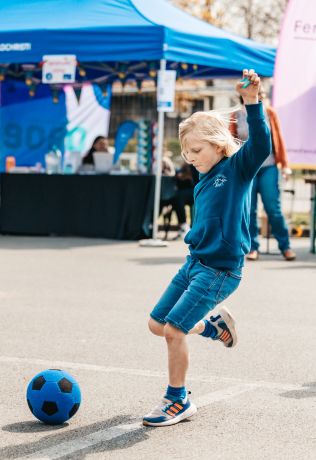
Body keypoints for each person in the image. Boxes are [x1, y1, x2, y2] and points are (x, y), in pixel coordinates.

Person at [143, 69, 271, 427]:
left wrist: (252, 102)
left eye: (196, 150)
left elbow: (261, 145)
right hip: (194, 264)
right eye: (186, 152)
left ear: (218, 144)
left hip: (220, 270)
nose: (191, 157)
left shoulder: (236, 169)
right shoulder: (202, 180)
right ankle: (213, 328)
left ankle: (177, 400)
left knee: (174, 331)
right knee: (157, 324)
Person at [230, 92, 296, 261]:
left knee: (273, 207)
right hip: (247, 167)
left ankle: (285, 246)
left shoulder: (269, 112)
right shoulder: (236, 114)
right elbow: (230, 142)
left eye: (261, 95)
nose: (259, 97)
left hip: (268, 166)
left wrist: (285, 165)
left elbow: (278, 139)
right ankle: (252, 247)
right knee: (249, 209)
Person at [171, 163, 195, 239]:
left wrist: (188, 177)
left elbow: (196, 181)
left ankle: (184, 225)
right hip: (182, 192)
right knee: (176, 197)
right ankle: (183, 225)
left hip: (194, 191)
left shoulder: (195, 167)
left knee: (178, 197)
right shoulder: (181, 168)